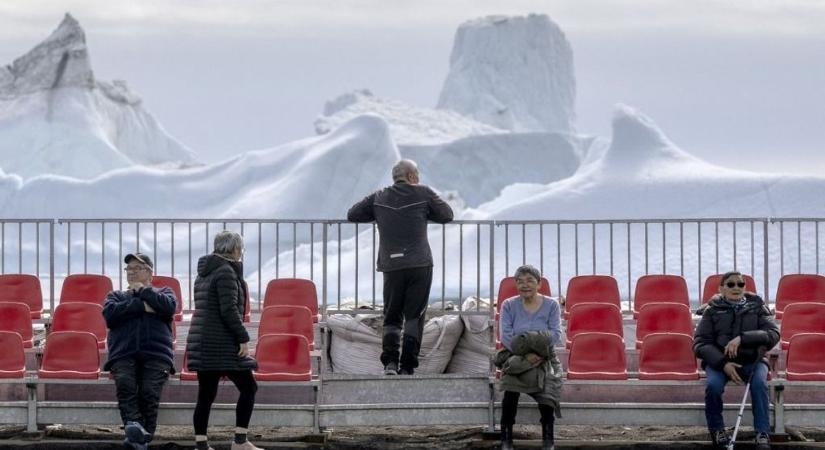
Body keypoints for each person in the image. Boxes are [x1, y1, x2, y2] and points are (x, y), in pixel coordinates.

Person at [347, 159, 453, 375]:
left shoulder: (379, 196)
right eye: (418, 175)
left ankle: (390, 363)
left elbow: (353, 214)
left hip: (392, 265)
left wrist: (379, 214)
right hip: (419, 264)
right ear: (412, 176)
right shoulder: (423, 192)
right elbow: (446, 215)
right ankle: (407, 366)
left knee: (392, 315)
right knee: (414, 316)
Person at [186, 231, 262, 450]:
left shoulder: (204, 273)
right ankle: (240, 441)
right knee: (249, 387)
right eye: (241, 249)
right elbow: (228, 310)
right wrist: (243, 338)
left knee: (206, 395)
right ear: (235, 249)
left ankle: (201, 445)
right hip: (221, 341)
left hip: (202, 340)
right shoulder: (226, 272)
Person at [694, 271, 779, 450]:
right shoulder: (712, 310)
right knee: (713, 387)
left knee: (759, 385)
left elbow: (773, 334)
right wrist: (723, 364)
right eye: (731, 284)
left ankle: (762, 433)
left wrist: (743, 338)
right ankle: (717, 430)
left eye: (740, 284)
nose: (736, 288)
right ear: (721, 288)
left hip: (753, 361)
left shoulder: (757, 306)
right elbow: (700, 343)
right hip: (719, 363)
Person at [102, 252, 177, 450]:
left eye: (138, 268)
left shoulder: (165, 292)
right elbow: (110, 315)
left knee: (149, 391)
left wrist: (144, 292)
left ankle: (137, 437)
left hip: (157, 354)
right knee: (126, 385)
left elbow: (169, 308)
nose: (132, 272)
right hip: (123, 354)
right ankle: (138, 434)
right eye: (129, 269)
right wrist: (142, 305)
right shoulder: (115, 296)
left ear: (150, 273)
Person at [494, 265, 562, 450]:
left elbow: (555, 334)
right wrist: (526, 354)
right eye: (520, 281)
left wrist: (538, 351)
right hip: (516, 354)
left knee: (548, 389)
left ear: (539, 284)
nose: (525, 285)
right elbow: (506, 336)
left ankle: (548, 440)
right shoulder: (508, 305)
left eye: (530, 281)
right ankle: (506, 439)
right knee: (510, 391)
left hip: (544, 356)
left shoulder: (552, 305)